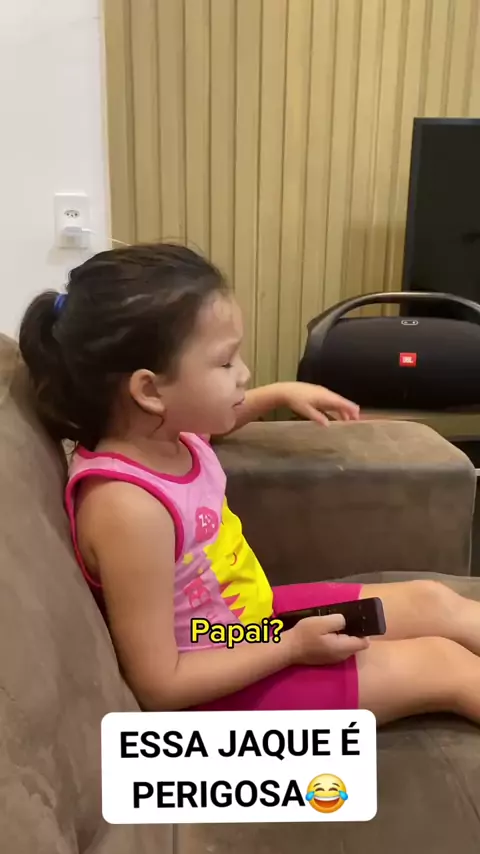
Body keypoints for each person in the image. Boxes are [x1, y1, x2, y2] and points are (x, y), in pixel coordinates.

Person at [18, 243, 480, 725]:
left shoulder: (165, 436)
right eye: (225, 363)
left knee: (433, 601)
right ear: (150, 390)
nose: (245, 373)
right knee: (442, 665)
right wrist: (290, 647)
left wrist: (277, 394)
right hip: (217, 689)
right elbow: (160, 685)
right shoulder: (128, 508)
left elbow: (217, 425)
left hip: (246, 629)